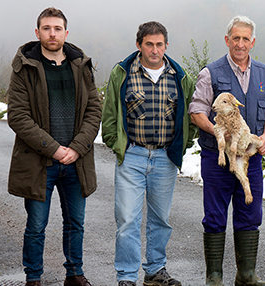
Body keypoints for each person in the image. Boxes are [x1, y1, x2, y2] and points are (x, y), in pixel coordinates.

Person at [6, 7, 101, 286]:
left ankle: (75, 274)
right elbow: (18, 117)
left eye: (57, 29)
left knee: (76, 224)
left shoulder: (80, 65)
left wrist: (76, 148)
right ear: (37, 33)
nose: (52, 33)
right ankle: (33, 278)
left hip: (76, 161)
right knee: (36, 227)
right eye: (46, 28)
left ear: (65, 33)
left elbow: (94, 110)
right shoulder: (25, 67)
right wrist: (54, 149)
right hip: (39, 163)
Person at [101, 21, 195, 286]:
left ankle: (155, 271)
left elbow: (189, 115)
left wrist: (183, 144)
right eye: (149, 44)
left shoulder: (179, 76)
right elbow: (109, 116)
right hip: (132, 157)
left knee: (160, 220)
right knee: (128, 219)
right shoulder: (122, 73)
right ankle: (127, 277)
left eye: (159, 44)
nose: (155, 50)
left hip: (165, 158)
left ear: (166, 46)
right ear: (139, 45)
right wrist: (117, 144)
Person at [189, 15, 265, 286]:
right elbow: (197, 111)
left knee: (250, 213)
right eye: (235, 38)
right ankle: (214, 276)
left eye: (245, 38)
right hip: (218, 158)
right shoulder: (210, 73)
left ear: (253, 42)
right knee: (214, 216)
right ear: (227, 40)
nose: (240, 43)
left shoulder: (264, 73)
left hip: (250, 158)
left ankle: (246, 275)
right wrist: (217, 132)